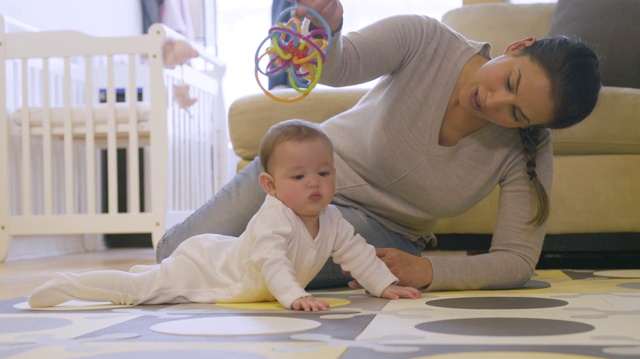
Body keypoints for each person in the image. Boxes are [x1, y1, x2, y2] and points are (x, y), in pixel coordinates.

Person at [156, 0, 602, 291]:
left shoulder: (527, 147)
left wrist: (428, 271)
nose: (493, 102)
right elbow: (339, 63)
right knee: (175, 258)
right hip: (301, 175)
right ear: (518, 46)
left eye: (517, 113)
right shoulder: (427, 39)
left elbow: (517, 259)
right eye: (509, 81)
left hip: (382, 233)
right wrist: (325, 28)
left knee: (245, 273)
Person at [29, 120, 421, 311]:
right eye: (298, 176)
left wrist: (384, 285)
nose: (313, 184)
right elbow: (272, 262)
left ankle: (141, 275)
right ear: (268, 185)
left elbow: (357, 253)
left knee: (151, 282)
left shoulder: (333, 220)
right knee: (140, 295)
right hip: (208, 269)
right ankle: (70, 284)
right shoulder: (275, 219)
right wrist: (296, 296)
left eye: (323, 173)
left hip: (224, 258)